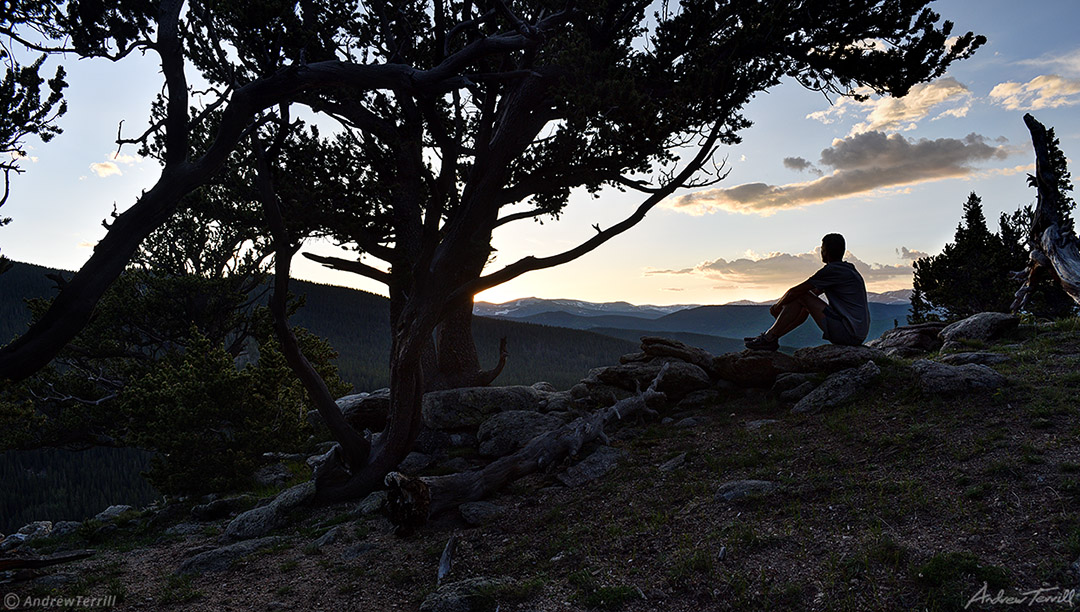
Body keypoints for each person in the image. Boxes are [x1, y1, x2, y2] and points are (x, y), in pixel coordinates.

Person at [744, 233, 870, 351]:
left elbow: (796, 291)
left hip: (848, 333)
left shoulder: (832, 271)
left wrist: (777, 307)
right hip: (855, 333)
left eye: (822, 248)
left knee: (802, 295)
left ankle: (768, 338)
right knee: (803, 300)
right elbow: (811, 296)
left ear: (825, 251)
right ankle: (771, 337)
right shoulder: (846, 269)